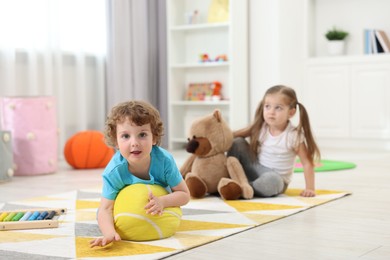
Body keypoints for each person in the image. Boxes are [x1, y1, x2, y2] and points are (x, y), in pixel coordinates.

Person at [90, 100, 190, 248]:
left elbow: (184, 195)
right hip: (126, 209)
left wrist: (163, 202)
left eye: (142, 134)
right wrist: (109, 233)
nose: (134, 142)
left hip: (159, 206)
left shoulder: (164, 161)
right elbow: (105, 209)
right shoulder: (114, 171)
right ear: (116, 141)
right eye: (125, 136)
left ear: (154, 138)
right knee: (101, 214)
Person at [227, 85, 320, 198]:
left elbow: (307, 163)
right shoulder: (261, 127)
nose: (271, 112)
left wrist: (310, 188)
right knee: (237, 142)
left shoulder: (293, 135)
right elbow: (233, 135)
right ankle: (228, 178)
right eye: (267, 106)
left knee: (272, 181)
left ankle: (243, 188)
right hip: (256, 169)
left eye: (278, 108)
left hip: (276, 179)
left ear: (291, 113)